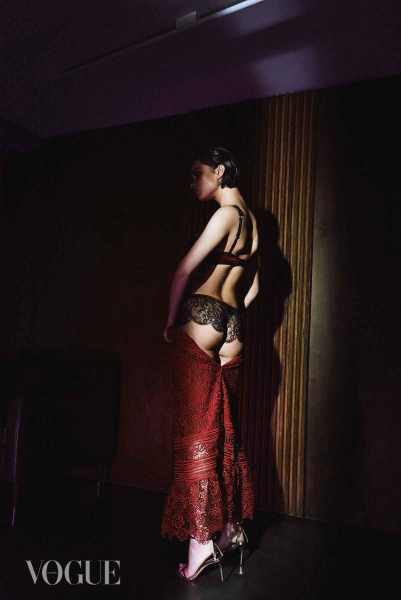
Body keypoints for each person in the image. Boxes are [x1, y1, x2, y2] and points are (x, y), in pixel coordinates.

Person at [161, 147, 259, 581]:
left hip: (203, 317)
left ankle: (200, 541)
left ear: (219, 172)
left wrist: (170, 322)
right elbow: (253, 288)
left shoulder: (225, 215)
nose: (192, 182)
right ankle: (230, 530)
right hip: (234, 325)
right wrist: (230, 314)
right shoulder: (252, 223)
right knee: (225, 428)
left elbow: (184, 271)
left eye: (197, 173)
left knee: (196, 427)